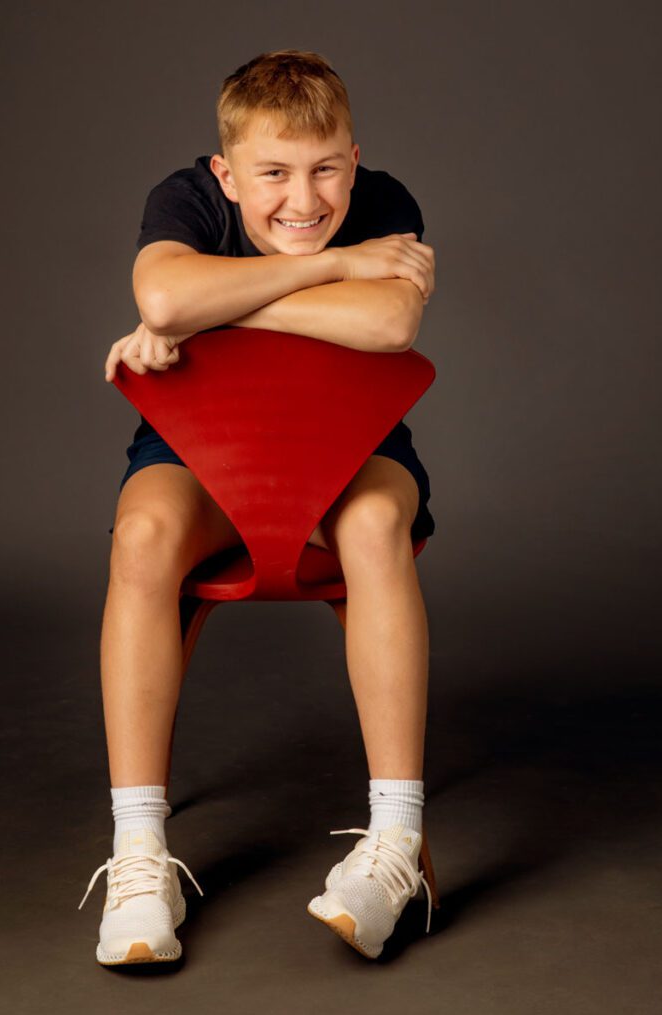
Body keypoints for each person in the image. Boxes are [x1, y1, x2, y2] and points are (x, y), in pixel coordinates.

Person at [79, 50, 438, 965]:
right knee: (145, 533)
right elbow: (161, 291)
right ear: (226, 175)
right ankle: (139, 853)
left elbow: (389, 326)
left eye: (326, 170)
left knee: (373, 522)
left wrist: (205, 316)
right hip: (197, 453)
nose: (303, 200)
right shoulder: (186, 202)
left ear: (355, 161)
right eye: (273, 174)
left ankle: (397, 842)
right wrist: (343, 268)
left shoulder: (389, 202)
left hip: (351, 451)